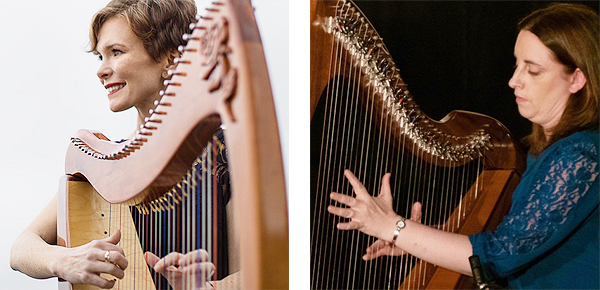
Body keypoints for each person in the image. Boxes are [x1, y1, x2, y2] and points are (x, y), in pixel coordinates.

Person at [327, 3, 598, 289]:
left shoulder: (581, 156)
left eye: (532, 70)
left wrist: (392, 227)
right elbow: (527, 238)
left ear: (577, 79)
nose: (513, 81)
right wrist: (416, 238)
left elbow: (500, 255)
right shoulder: (547, 149)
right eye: (516, 65)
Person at [10, 0, 239, 289]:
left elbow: (260, 275)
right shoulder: (104, 165)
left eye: (116, 52)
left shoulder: (227, 152)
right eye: (100, 57)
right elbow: (21, 249)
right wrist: (64, 260)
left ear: (171, 59)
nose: (101, 70)